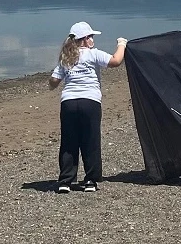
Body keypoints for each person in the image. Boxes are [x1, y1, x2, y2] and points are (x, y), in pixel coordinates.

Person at [49, 21, 127, 193]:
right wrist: (122, 45)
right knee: (90, 140)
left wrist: (61, 79)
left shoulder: (66, 58)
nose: (92, 40)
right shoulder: (93, 54)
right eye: (90, 37)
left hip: (68, 102)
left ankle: (66, 180)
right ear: (83, 40)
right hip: (90, 101)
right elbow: (115, 61)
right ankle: (90, 180)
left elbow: (54, 81)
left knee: (69, 141)